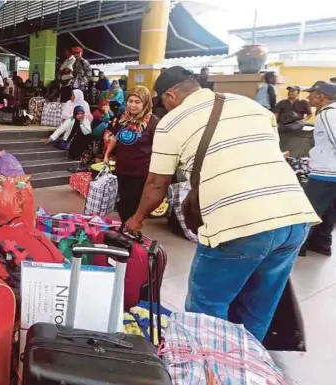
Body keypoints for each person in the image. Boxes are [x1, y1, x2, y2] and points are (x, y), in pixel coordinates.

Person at [124, 66, 319, 342]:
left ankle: (209, 370)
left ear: (170, 95)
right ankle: (246, 368)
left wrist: (137, 218)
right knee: (258, 308)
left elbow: (157, 182)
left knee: (206, 307)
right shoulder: (252, 106)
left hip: (239, 221)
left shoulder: (172, 120)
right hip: (295, 216)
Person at [102, 86, 158, 222]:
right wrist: (107, 154)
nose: (133, 105)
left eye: (137, 102)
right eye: (130, 101)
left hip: (141, 172)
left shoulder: (153, 122)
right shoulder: (122, 118)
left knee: (131, 205)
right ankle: (127, 229)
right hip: (122, 168)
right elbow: (114, 137)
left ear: (145, 103)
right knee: (123, 203)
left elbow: (158, 147)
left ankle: (130, 231)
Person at [301, 81, 336, 256]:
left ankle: (300, 246)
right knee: (329, 211)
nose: (308, 97)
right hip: (332, 172)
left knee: (310, 210)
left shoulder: (328, 113)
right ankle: (322, 245)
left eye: (311, 94)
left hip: (325, 173)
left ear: (322, 96)